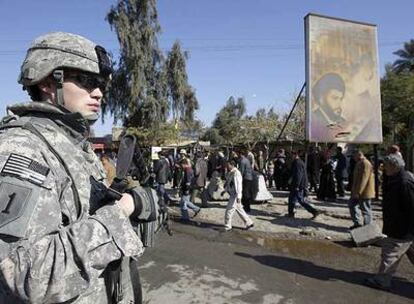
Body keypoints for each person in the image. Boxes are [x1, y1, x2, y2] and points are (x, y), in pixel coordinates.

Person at [0, 32, 159, 303]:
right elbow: (26, 274)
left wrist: (120, 195)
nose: (98, 92)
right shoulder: (21, 149)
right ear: (49, 82)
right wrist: (123, 211)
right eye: (87, 81)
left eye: (101, 84)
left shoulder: (73, 144)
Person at [365, 154, 414, 291]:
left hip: (401, 228)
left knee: (390, 255)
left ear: (393, 166)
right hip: (404, 228)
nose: (383, 168)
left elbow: (411, 206)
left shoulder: (404, 182)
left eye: (385, 165)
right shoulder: (396, 178)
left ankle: (382, 281)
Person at [311, 73, 348, 141]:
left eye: (341, 99)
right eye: (334, 98)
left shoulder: (343, 122)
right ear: (321, 98)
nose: (339, 104)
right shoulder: (313, 120)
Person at [288, 151, 320, 219]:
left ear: (295, 155)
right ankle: (291, 213)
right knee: (292, 199)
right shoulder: (299, 162)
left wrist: (297, 185)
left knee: (300, 200)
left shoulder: (297, 163)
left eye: (292, 155)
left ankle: (314, 211)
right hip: (298, 185)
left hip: (298, 185)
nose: (291, 157)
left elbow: (298, 175)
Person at [223, 160, 254, 231]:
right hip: (233, 194)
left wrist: (239, 196)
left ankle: (227, 226)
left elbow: (238, 185)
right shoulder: (231, 173)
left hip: (235, 195)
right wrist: (224, 191)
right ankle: (249, 222)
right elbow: (229, 183)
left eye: (228, 165)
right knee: (240, 210)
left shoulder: (236, 173)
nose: (227, 166)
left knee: (229, 211)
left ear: (232, 165)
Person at [348, 150, 375, 229]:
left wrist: (358, 192)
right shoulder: (359, 163)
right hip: (357, 191)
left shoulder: (365, 163)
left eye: (354, 156)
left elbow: (364, 179)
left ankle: (367, 226)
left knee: (365, 209)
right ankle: (357, 223)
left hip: (364, 192)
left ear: (359, 155)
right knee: (352, 205)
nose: (353, 158)